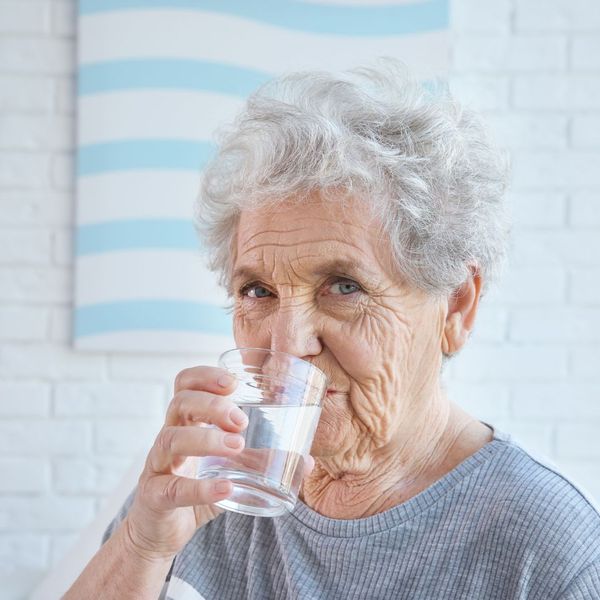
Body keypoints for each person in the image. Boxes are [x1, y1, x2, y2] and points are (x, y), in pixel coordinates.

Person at [64, 59, 600, 599]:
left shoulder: (552, 550)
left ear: (456, 306)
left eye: (344, 286)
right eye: (258, 291)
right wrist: (141, 544)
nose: (286, 348)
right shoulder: (211, 479)